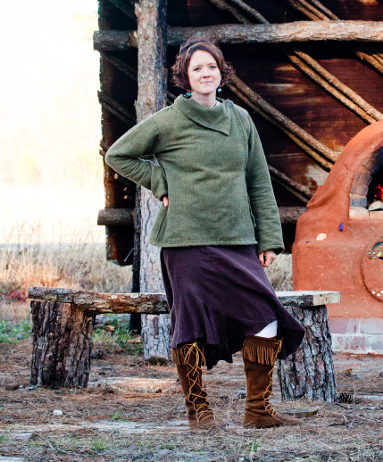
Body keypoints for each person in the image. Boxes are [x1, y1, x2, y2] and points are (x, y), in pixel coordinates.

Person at [105, 37, 305, 428]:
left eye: (211, 66)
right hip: (186, 241)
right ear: (185, 76)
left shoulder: (240, 119)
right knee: (191, 325)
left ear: (221, 72)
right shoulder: (168, 121)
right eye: (197, 68)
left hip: (237, 239)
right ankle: (198, 412)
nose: (205, 73)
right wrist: (159, 181)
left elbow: (258, 181)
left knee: (265, 317)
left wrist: (268, 238)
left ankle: (258, 412)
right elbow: (118, 154)